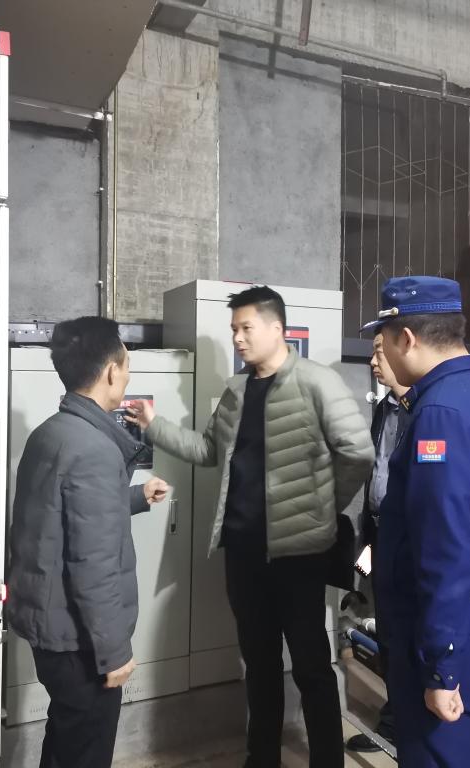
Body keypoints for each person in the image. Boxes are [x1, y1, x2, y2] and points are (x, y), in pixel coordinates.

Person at [126, 285, 373, 768]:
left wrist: (322, 508)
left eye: (246, 328)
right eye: (234, 330)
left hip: (299, 555)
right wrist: (154, 425)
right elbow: (208, 450)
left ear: (277, 328)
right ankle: (261, 759)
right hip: (243, 553)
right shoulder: (238, 390)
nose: (238, 338)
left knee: (311, 667)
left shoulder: (317, 382)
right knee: (258, 666)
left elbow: (358, 452)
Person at [362, 277, 470, 768]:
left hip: (452, 639)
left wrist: (441, 666)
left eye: (383, 340)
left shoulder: (440, 412)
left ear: (406, 338)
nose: (381, 356)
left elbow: (443, 548)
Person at [6, 316, 170, 768]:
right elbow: (92, 565)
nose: (128, 374)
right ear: (112, 371)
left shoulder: (50, 433)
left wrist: (134, 496)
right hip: (81, 645)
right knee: (86, 751)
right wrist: (114, 653)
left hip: (50, 630)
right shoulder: (95, 449)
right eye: (127, 364)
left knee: (65, 739)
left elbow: (59, 517)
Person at [345, 331, 408, 753]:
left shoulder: (427, 411)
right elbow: (376, 471)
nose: (372, 362)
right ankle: (395, 721)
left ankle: (405, 723)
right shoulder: (386, 408)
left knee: (407, 632)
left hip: (409, 540)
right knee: (387, 630)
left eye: (379, 353)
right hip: (380, 534)